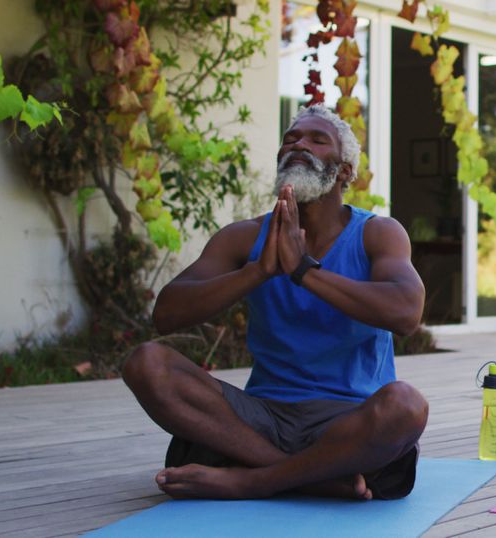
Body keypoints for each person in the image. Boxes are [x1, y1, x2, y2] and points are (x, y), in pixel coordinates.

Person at [122, 105, 428, 500]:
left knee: (405, 406)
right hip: (262, 417)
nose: (299, 143)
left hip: (347, 420)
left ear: (345, 171)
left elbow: (406, 313)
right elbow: (166, 314)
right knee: (146, 363)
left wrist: (304, 271)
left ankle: (252, 479)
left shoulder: (378, 233)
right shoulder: (245, 238)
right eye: (291, 139)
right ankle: (310, 477)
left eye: (318, 140)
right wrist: (257, 272)